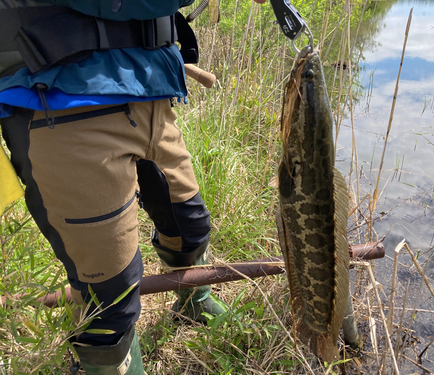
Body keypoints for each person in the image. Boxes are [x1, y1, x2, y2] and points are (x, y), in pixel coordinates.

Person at [0, 0, 265, 373]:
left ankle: (193, 302)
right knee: (110, 294)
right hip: (58, 103)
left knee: (189, 227)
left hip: (150, 90)